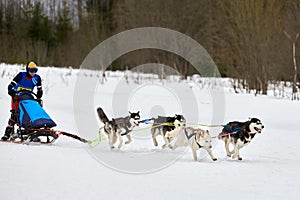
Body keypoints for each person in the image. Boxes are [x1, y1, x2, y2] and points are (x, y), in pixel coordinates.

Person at [1, 61, 43, 141]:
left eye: (35, 71)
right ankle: (8, 133)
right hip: (17, 97)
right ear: (27, 70)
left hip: (28, 97)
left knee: (31, 113)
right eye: (31, 70)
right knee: (15, 113)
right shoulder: (21, 75)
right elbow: (10, 85)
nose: (33, 73)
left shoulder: (37, 78)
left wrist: (39, 93)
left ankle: (31, 130)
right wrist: (11, 91)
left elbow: (39, 89)